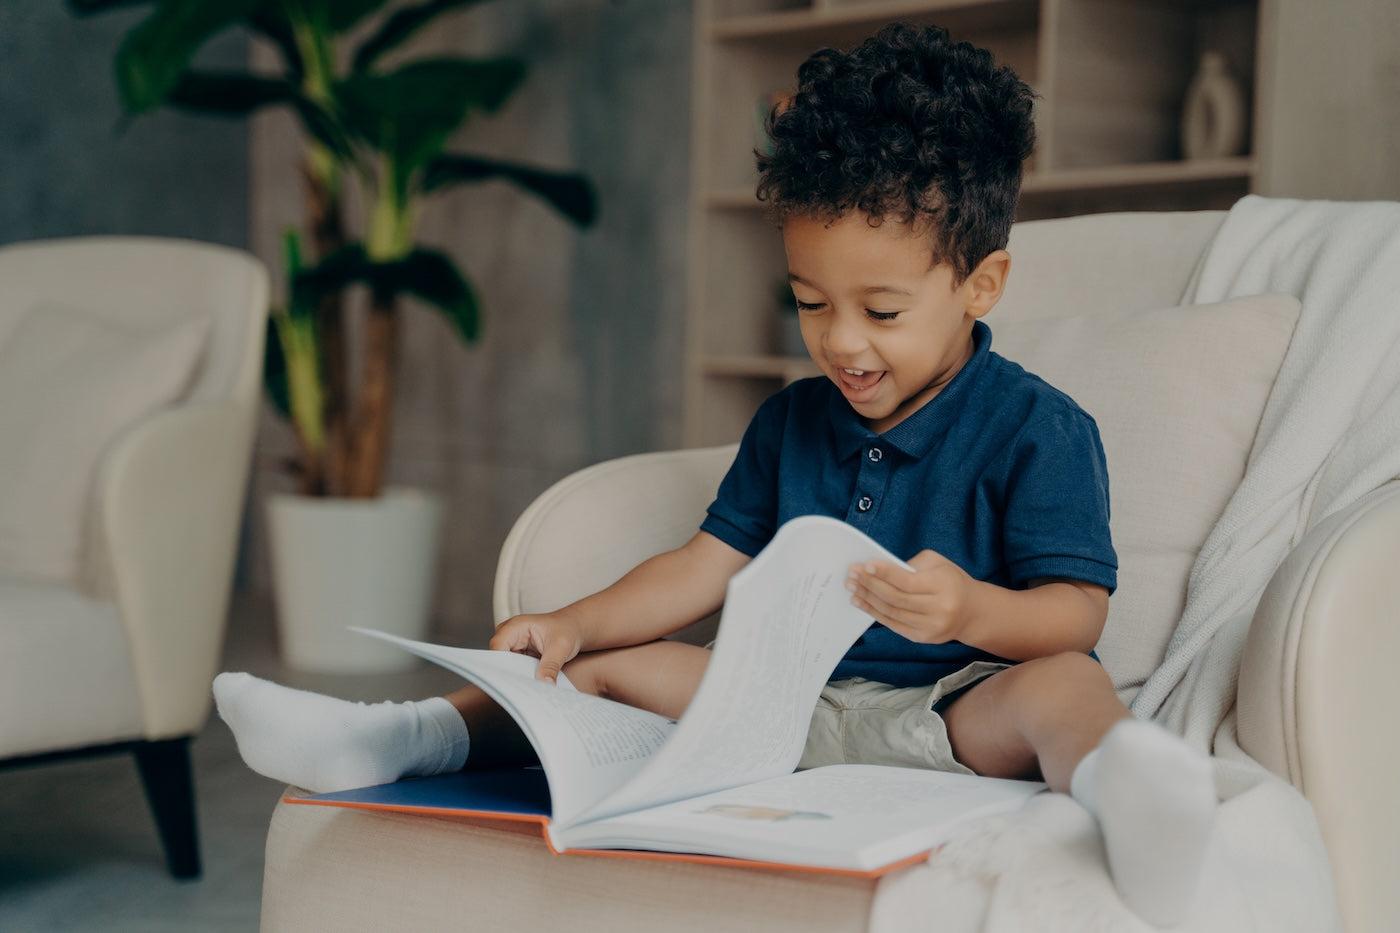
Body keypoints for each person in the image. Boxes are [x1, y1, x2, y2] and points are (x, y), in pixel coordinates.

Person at [215, 23, 1215, 928]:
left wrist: (966, 611)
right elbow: (701, 566)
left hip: (951, 716)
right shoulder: (790, 421)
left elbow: (1072, 613)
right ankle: (393, 742)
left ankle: (1130, 800)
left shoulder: (1036, 428)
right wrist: (575, 624)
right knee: (596, 670)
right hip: (773, 708)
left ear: (978, 285)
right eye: (809, 302)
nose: (839, 343)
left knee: (1063, 686)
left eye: (880, 311)